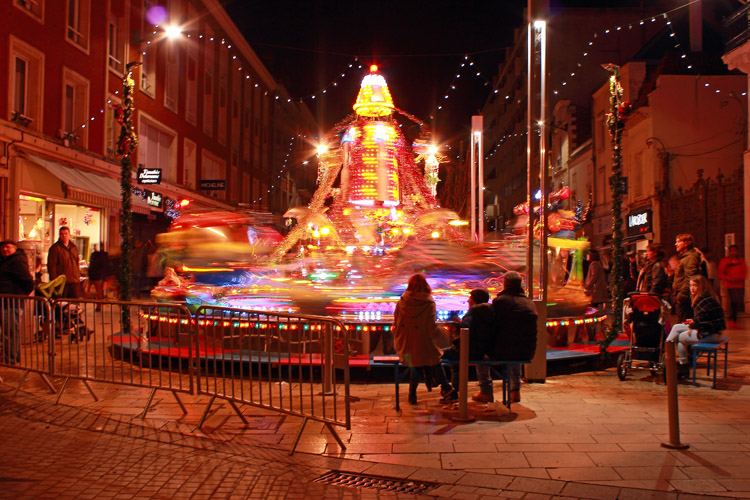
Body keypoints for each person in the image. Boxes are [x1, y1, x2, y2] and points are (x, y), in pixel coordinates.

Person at [392, 273, 454, 405]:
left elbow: (396, 322)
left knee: (415, 363)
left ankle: (412, 394)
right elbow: (431, 326)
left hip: (406, 341)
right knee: (434, 359)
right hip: (424, 340)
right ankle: (446, 388)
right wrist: (440, 332)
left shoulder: (402, 301)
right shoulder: (429, 303)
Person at [487, 271, 538, 403]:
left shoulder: (500, 302)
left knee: (478, 353)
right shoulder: (529, 303)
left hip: (504, 350)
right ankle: (515, 390)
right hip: (527, 352)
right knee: (514, 345)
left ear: (505, 284)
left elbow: (492, 326)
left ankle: (485, 390)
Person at [666, 275, 725, 378]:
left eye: (695, 285)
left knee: (680, 338)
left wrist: (693, 323)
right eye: (690, 285)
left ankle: (674, 361)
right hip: (711, 331)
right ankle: (672, 357)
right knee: (676, 327)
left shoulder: (702, 299)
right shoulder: (707, 297)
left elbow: (699, 323)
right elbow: (703, 319)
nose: (692, 288)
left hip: (710, 334)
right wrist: (693, 322)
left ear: (701, 286)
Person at [443, 288, 495, 402]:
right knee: (454, 361)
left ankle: (450, 389)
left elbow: (467, 329)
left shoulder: (474, 312)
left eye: (470, 298)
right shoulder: (490, 312)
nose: (468, 300)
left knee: (438, 354)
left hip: (469, 350)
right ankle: (484, 391)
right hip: (482, 350)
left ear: (475, 300)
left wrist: (458, 325)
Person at [0, 240, 35, 364]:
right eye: (3, 247)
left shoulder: (16, 261)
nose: (5, 249)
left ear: (15, 248)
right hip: (6, 301)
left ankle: (11, 358)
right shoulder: (6, 261)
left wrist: (20, 295)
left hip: (12, 301)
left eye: (8, 247)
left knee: (10, 331)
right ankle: (12, 356)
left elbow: (28, 282)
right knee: (9, 331)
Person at [672, 234, 702, 322]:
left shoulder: (690, 258)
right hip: (683, 296)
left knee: (685, 321)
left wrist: (682, 296)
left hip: (685, 298)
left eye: (678, 242)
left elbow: (690, 277)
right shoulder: (685, 257)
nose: (676, 244)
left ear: (686, 243)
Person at [718, 244, 748, 328]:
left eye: (735, 250)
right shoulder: (725, 261)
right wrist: (729, 278)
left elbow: (744, 272)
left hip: (739, 285)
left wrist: (738, 278)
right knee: (733, 302)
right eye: (732, 250)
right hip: (729, 285)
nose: (733, 252)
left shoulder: (741, 261)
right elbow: (720, 273)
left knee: (738, 302)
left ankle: (734, 319)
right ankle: (731, 319)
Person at [47, 226, 81, 299]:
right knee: (62, 304)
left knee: (74, 303)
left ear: (69, 235)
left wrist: (78, 275)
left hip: (74, 280)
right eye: (62, 234)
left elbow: (76, 262)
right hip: (62, 282)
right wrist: (54, 281)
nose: (64, 236)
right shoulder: (55, 248)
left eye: (66, 233)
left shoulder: (73, 247)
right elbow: (51, 265)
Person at [87, 243, 110, 311]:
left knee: (93, 291)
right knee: (98, 292)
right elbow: (105, 266)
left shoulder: (94, 254)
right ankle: (98, 306)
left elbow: (92, 264)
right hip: (97, 275)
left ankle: (97, 306)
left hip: (94, 275)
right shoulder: (103, 255)